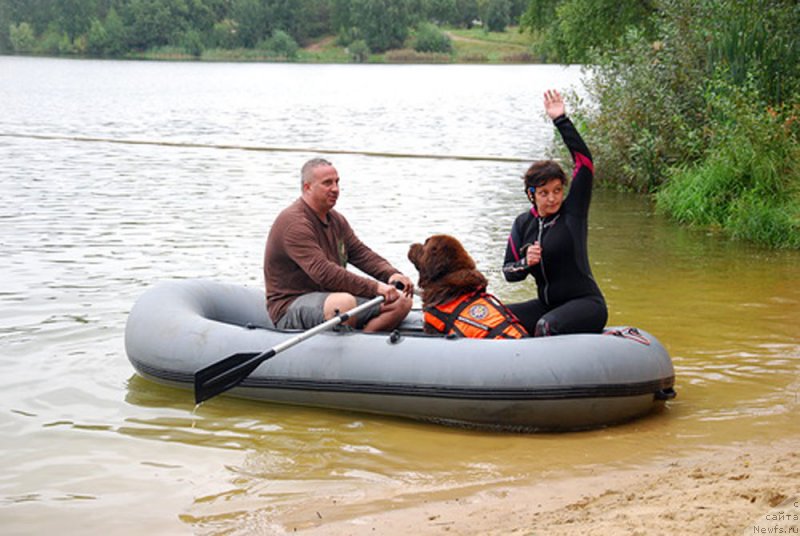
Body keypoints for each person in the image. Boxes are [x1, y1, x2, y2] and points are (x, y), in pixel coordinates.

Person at [264, 157, 414, 332]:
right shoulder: (294, 224)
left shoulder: (336, 219)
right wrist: (376, 288)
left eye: (337, 182)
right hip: (290, 305)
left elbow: (361, 253)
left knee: (402, 301)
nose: (335, 189)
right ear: (307, 187)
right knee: (344, 303)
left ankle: (364, 344)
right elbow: (323, 272)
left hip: (329, 299)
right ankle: (349, 351)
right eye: (327, 183)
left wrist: (391, 274)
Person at [502, 89, 607, 337]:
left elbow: (585, 163)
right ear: (531, 194)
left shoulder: (573, 212)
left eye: (557, 190)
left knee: (546, 326)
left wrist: (561, 120)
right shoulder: (522, 224)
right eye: (544, 192)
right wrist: (526, 263)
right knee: (496, 315)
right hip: (548, 305)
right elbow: (508, 272)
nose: (552, 198)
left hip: (586, 305)